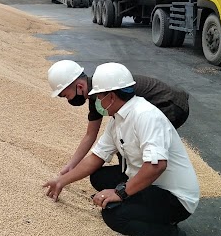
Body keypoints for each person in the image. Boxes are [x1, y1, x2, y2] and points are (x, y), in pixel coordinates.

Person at [43, 62, 200, 236]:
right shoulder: (117, 119)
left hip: (174, 197)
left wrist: (120, 193)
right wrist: (61, 181)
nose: (97, 103)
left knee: (114, 216)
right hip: (152, 183)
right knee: (98, 177)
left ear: (110, 97)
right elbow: (96, 157)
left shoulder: (146, 115)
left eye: (99, 97)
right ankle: (137, 196)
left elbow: (157, 166)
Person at [47, 59, 190, 175]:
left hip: (171, 105)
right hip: (166, 102)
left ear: (79, 86)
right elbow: (90, 135)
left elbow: (125, 129)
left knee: (138, 146)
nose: (69, 100)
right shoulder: (96, 97)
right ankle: (132, 179)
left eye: (66, 95)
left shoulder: (104, 89)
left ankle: (140, 186)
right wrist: (72, 165)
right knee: (126, 144)